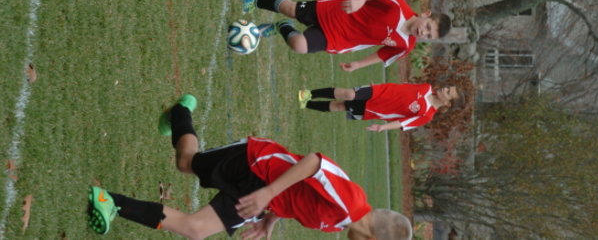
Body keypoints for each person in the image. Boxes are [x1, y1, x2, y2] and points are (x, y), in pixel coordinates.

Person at [87, 95, 412, 239]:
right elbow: (315, 163)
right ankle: (180, 112)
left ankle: (110, 202)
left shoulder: (341, 223)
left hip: (259, 200)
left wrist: (271, 218)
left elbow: (302, 198)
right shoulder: (351, 203)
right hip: (256, 165)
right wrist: (269, 193)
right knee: (186, 164)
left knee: (195, 230)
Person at [243, 0, 451, 72]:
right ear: (426, 14)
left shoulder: (406, 46)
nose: (423, 32)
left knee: (299, 45)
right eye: (428, 27)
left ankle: (281, 27)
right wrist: (359, 1)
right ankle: (258, 0)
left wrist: (359, 64)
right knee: (291, 9)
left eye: (428, 36)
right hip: (336, 12)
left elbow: (382, 55)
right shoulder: (398, 7)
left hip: (340, 39)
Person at [298, 83, 463, 132]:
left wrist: (382, 127)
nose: (445, 89)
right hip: (378, 91)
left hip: (375, 109)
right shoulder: (426, 87)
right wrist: (380, 87)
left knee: (341, 106)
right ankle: (308, 93)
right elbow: (402, 87)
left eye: (448, 92)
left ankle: (306, 104)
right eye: (448, 87)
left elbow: (403, 123)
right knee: (348, 93)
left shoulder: (426, 115)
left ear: (447, 103)